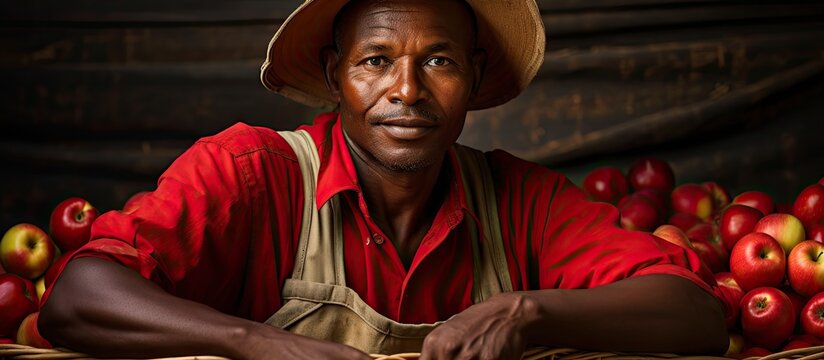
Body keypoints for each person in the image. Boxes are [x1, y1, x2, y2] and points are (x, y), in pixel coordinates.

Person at [39, 0, 728, 359]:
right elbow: (76, 298)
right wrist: (258, 344)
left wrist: (526, 312)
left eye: (438, 61)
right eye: (375, 60)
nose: (406, 90)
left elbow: (696, 314)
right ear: (335, 73)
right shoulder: (253, 174)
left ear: (474, 76)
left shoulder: (523, 201)